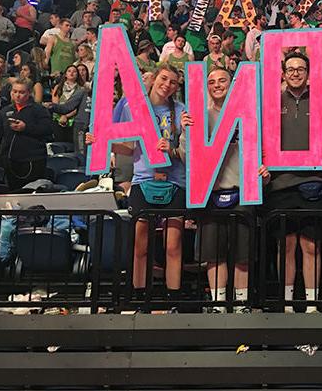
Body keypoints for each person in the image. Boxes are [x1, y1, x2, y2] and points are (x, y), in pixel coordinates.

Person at [87, 66, 186, 306]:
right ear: (153, 79)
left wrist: (173, 147)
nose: (167, 85)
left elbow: (189, 152)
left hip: (176, 182)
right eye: (164, 78)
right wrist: (102, 143)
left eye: (173, 82)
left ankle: (173, 299)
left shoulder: (183, 111)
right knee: (140, 245)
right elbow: (130, 147)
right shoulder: (134, 108)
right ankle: (139, 297)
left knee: (173, 246)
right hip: (143, 181)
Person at [180, 67, 270, 313]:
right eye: (211, 81)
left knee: (242, 254)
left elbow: (264, 153)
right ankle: (218, 304)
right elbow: (187, 158)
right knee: (213, 254)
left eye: (222, 80)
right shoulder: (199, 117)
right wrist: (185, 131)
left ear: (232, 84)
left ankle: (241, 304)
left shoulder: (250, 117)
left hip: (243, 191)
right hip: (211, 193)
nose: (217, 84)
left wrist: (264, 171)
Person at [265, 51, 322, 313]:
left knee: (311, 244)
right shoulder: (270, 101)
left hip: (315, 182)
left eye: (301, 68)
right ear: (283, 73)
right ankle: (285, 304)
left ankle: (312, 303)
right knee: (287, 245)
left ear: (308, 73)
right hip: (281, 183)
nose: (295, 72)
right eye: (291, 68)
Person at [0, 79, 52, 190]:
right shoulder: (5, 110)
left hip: (32, 160)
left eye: (21, 92)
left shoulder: (38, 110)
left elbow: (47, 129)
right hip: (9, 160)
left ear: (29, 93)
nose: (17, 95)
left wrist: (26, 128)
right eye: (14, 92)